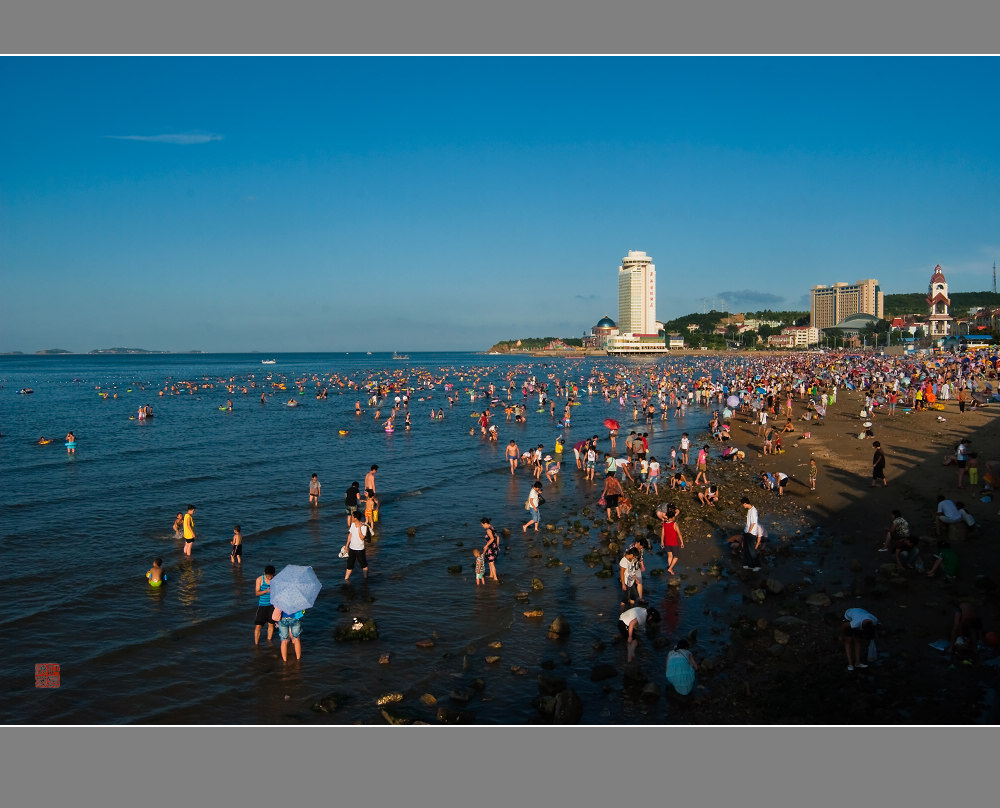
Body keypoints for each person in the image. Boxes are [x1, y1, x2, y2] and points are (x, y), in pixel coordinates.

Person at [839, 607, 878, 671]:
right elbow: (844, 625)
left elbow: (872, 631)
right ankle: (850, 664)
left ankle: (858, 663)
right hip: (849, 615)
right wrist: (841, 635)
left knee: (858, 640)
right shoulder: (856, 623)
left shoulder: (875, 620)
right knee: (848, 640)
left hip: (860, 614)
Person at [343, 511, 370, 581]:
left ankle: (365, 577)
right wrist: (346, 546)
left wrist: (359, 528)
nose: (351, 517)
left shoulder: (364, 526)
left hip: (360, 549)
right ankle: (346, 579)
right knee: (349, 565)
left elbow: (362, 538)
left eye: (352, 516)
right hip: (352, 548)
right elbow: (350, 535)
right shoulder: (352, 524)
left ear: (356, 518)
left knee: (363, 564)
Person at [254, 565, 276, 644]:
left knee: (271, 625)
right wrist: (265, 591)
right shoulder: (260, 579)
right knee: (258, 625)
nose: (269, 578)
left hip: (272, 605)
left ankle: (269, 642)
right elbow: (257, 593)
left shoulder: (276, 580)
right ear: (264, 573)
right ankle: (256, 644)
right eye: (268, 576)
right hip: (262, 605)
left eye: (271, 576)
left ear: (274, 574)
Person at [660, 504, 684, 575]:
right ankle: (670, 568)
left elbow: (662, 534)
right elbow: (679, 534)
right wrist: (682, 542)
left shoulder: (664, 524)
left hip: (667, 542)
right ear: (672, 517)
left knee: (669, 555)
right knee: (676, 556)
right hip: (673, 543)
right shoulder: (674, 524)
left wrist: (662, 542)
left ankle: (670, 568)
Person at [740, 496, 762, 570]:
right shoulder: (749, 510)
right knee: (746, 549)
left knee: (752, 550)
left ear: (745, 503)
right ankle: (749, 564)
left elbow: (753, 523)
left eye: (743, 504)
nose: (743, 506)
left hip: (751, 533)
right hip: (747, 532)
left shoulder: (753, 511)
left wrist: (749, 532)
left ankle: (757, 565)